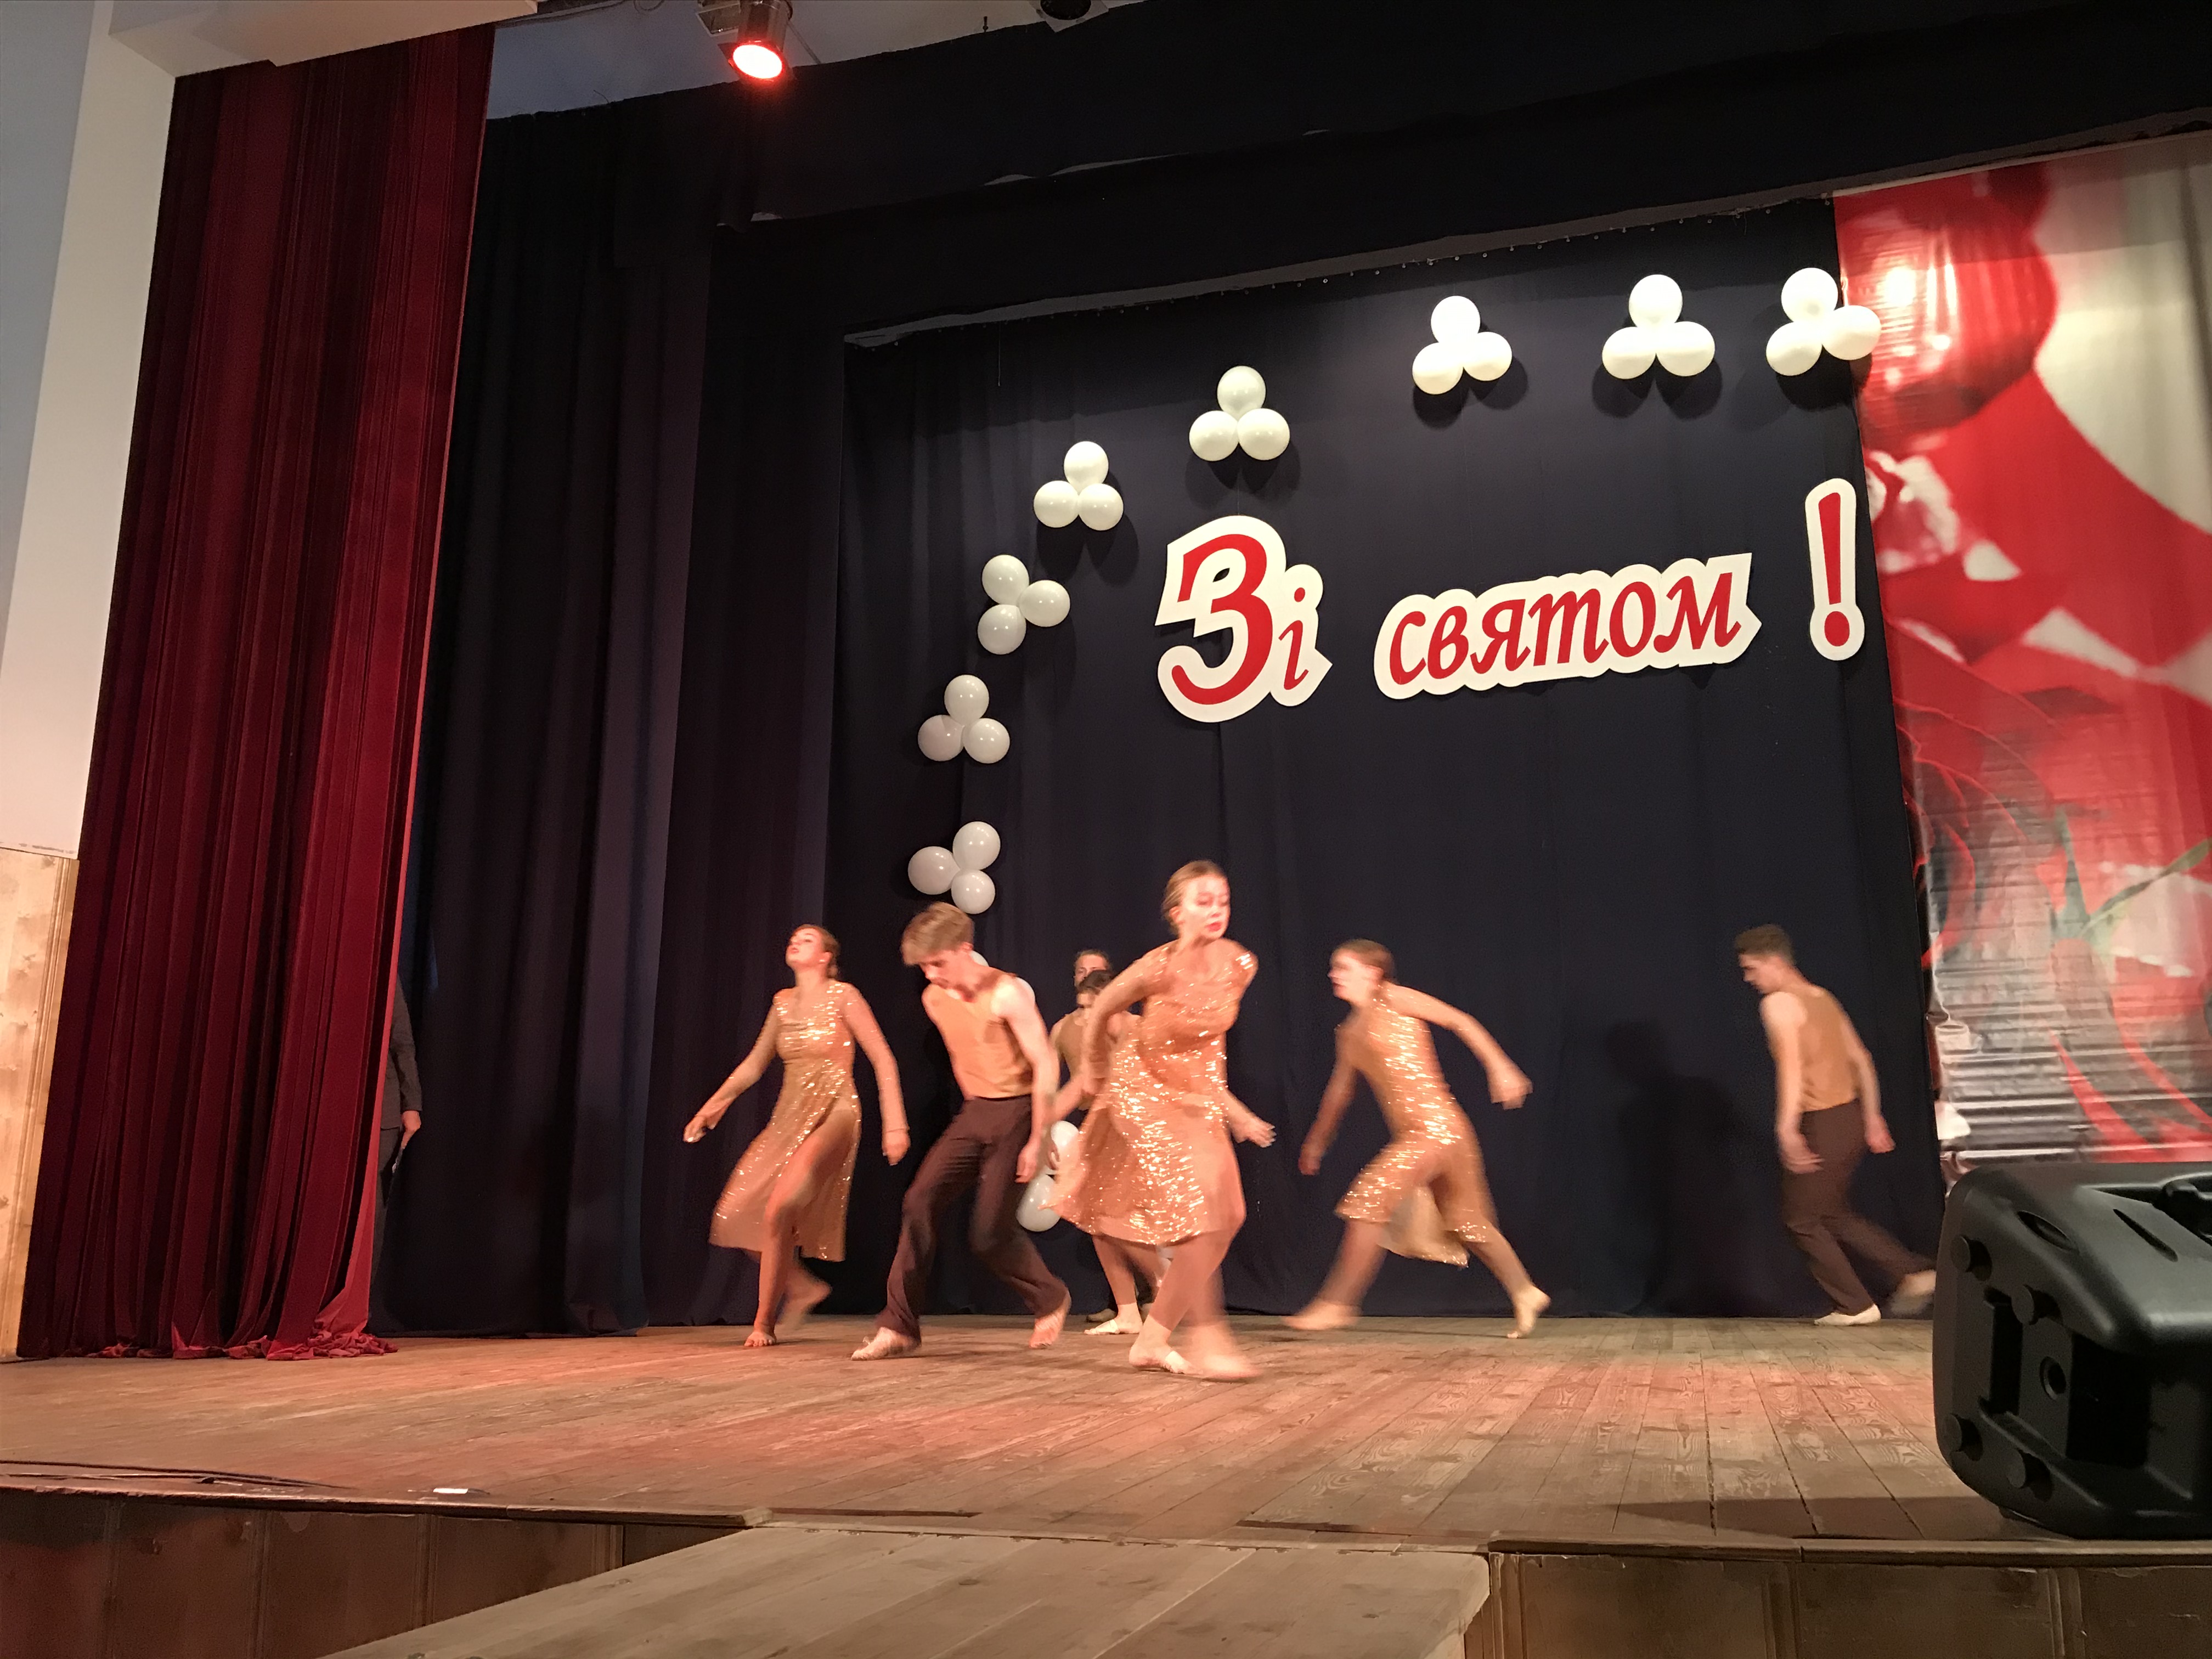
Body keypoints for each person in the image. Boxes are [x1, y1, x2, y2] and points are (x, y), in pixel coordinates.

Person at [1052, 861, 1276, 1380]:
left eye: (1222, 900)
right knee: (1199, 1216)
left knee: (1231, 1215)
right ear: (1177, 913)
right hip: (1142, 1091)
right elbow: (1101, 1007)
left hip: (1195, 1094)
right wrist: (1094, 1070)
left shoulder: (1241, 963)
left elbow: (1209, 1042)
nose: (1216, 910)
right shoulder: (1157, 967)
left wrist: (1227, 1106)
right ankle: (1209, 1337)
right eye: (1203, 901)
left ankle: (1151, 1341)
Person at [1290, 941, 1550, 1338]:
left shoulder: (1394, 998)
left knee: (1369, 1198)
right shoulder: (1349, 1032)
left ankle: (1337, 1304)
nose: (1333, 975)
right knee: (1466, 1222)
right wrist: (1317, 1142)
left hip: (1439, 1129)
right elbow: (1339, 1092)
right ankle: (1525, 1291)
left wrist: (1500, 1066)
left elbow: (1460, 1021)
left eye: (1343, 967)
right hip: (1425, 1134)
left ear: (1373, 973)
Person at [850, 904, 1072, 1361]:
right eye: (924, 967)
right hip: (977, 1112)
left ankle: (1050, 1298)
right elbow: (962, 1056)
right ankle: (899, 1325)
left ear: (965, 949)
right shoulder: (935, 999)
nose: (931, 975)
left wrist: (1039, 1135)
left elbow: (1045, 1064)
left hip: (1019, 1111)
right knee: (919, 1201)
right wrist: (973, 1113)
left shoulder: (1008, 993)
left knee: (988, 1234)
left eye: (938, 963)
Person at [684, 926, 907, 1347]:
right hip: (789, 1117)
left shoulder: (844, 996)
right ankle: (802, 1287)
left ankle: (763, 1323)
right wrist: (713, 1106)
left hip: (836, 1109)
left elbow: (882, 1057)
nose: (795, 942)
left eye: (807, 939)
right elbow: (754, 1064)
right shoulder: (782, 1003)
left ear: (826, 957)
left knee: (780, 1206)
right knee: (735, 1211)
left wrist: (895, 1123)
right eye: (793, 938)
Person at [1736, 924, 1936, 1325]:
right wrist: (1872, 1116)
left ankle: (1856, 1305)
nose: (1748, 979)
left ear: (1775, 962)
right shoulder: (1822, 997)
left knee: (1802, 1219)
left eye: (1752, 968)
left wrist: (1786, 1128)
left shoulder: (1779, 1004)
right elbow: (1861, 1058)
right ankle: (1912, 1273)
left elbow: (1792, 1068)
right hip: (1849, 1118)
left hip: (1822, 1121)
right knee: (1831, 1213)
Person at [1051, 969, 1154, 1335]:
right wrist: (1038, 1131)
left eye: (1094, 1008)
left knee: (1120, 1220)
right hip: (1106, 1131)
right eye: (1082, 1009)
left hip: (1141, 1134)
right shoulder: (1093, 1040)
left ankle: (1165, 1283)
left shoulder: (1144, 1030)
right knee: (1096, 1219)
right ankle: (1128, 1312)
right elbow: (1080, 1086)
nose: (1086, 1018)